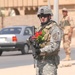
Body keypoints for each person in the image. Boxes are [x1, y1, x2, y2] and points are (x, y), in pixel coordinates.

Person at [30, 6, 62, 75]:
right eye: (41, 16)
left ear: (49, 16)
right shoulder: (39, 29)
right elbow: (35, 45)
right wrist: (31, 42)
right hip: (39, 62)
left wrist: (41, 50)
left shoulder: (54, 29)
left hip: (49, 62)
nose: (42, 18)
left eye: (44, 16)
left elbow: (54, 46)